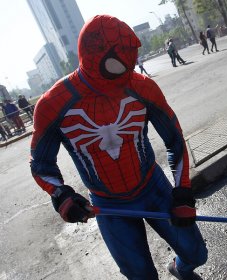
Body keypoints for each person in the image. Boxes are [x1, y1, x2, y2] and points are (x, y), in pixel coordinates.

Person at [30, 15, 207, 280]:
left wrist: (182, 190)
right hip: (107, 203)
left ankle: (179, 268)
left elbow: (175, 139)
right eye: (121, 63)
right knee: (140, 275)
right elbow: (41, 164)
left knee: (196, 254)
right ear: (94, 57)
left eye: (133, 60)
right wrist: (61, 195)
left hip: (153, 187)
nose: (130, 71)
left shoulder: (142, 88)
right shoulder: (54, 103)